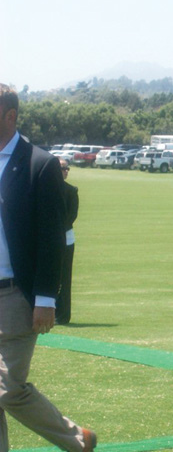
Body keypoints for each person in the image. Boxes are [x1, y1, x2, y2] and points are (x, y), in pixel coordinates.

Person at [0, 84, 96, 451]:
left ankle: (77, 439)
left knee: (8, 390)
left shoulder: (39, 165)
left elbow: (51, 237)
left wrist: (45, 299)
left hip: (17, 295)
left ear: (10, 116)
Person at [56, 159, 79, 325]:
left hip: (65, 239)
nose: (66, 171)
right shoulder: (43, 189)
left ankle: (63, 315)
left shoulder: (71, 191)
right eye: (63, 168)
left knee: (64, 278)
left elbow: (71, 217)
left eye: (67, 169)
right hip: (46, 240)